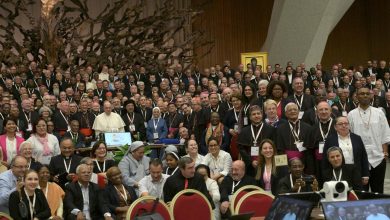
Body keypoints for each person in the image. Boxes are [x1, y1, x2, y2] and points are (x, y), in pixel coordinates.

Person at [348, 87, 390, 193]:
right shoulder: (351, 114)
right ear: (357, 96)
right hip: (359, 159)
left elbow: (385, 133)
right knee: (362, 192)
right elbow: (350, 136)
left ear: (371, 96)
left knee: (378, 191)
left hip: (378, 158)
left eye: (367, 94)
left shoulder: (379, 112)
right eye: (362, 94)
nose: (365, 96)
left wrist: (384, 153)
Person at [322, 116, 370, 187]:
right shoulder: (330, 140)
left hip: (356, 172)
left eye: (346, 123)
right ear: (335, 127)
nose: (344, 126)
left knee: (356, 194)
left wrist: (365, 174)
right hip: (339, 173)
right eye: (340, 124)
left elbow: (363, 156)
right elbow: (325, 159)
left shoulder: (357, 138)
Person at [237, 105, 275, 176]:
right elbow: (241, 148)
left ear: (262, 115)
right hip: (250, 163)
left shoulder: (271, 129)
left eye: (258, 113)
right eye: (254, 114)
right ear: (250, 117)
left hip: (267, 161)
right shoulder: (244, 131)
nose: (256, 116)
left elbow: (273, 146)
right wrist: (251, 161)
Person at [276, 103, 313, 173]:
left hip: (304, 162)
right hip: (286, 164)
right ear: (286, 114)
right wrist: (283, 168)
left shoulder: (308, 127)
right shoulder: (280, 128)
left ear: (298, 112)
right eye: (290, 110)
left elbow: (309, 150)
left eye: (295, 109)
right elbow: (279, 149)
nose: (293, 111)